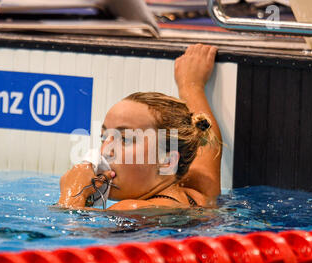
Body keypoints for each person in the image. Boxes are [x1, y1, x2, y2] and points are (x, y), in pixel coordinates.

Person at [58, 44, 222, 210]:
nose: (105, 152)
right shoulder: (201, 192)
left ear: (167, 161)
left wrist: (73, 193)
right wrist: (191, 85)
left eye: (125, 139)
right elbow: (207, 136)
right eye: (104, 137)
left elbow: (64, 231)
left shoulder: (130, 210)